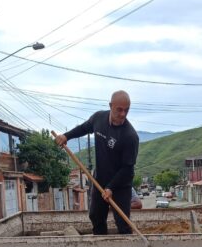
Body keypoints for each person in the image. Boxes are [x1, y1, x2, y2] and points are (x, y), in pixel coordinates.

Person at [55, 90, 139, 234]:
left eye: (127, 110)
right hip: (100, 180)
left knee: (123, 222)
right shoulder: (99, 118)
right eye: (119, 109)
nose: (123, 114)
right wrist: (66, 136)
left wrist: (111, 188)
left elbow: (127, 169)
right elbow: (84, 128)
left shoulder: (130, 136)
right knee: (96, 216)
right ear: (111, 105)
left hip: (120, 185)